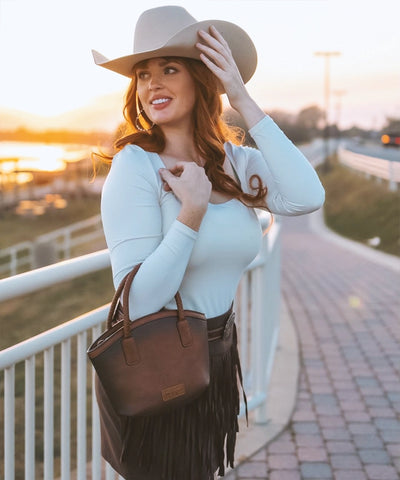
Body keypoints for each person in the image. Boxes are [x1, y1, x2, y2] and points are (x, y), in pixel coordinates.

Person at [92, 5, 325, 480]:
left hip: (215, 358)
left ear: (203, 78)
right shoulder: (135, 167)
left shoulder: (236, 163)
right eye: (143, 75)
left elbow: (307, 196)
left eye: (170, 69)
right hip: (160, 365)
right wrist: (191, 214)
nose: (152, 84)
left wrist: (242, 96)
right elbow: (136, 303)